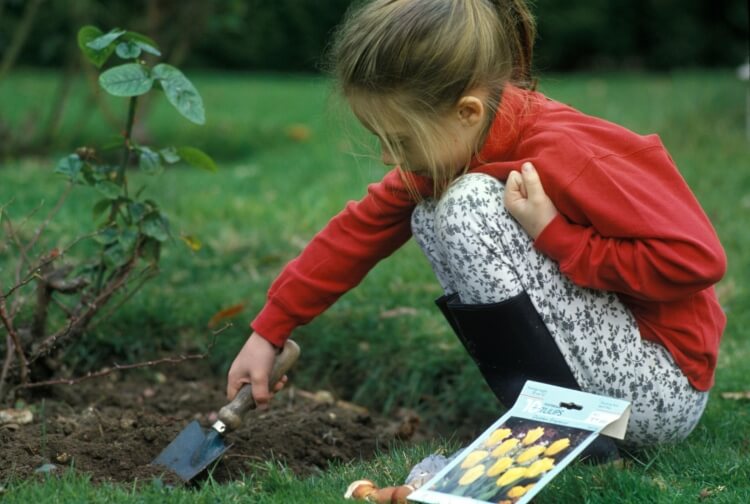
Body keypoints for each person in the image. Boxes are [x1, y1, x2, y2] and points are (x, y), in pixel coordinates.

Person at [226, 0, 726, 451]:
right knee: (428, 212)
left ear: (466, 112)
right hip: (611, 374)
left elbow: (697, 259)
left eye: (400, 140)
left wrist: (556, 234)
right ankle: (548, 420)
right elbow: (359, 230)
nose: (385, 157)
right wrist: (270, 330)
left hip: (661, 389)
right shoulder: (458, 147)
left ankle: (567, 436)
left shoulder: (569, 151)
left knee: (464, 204)